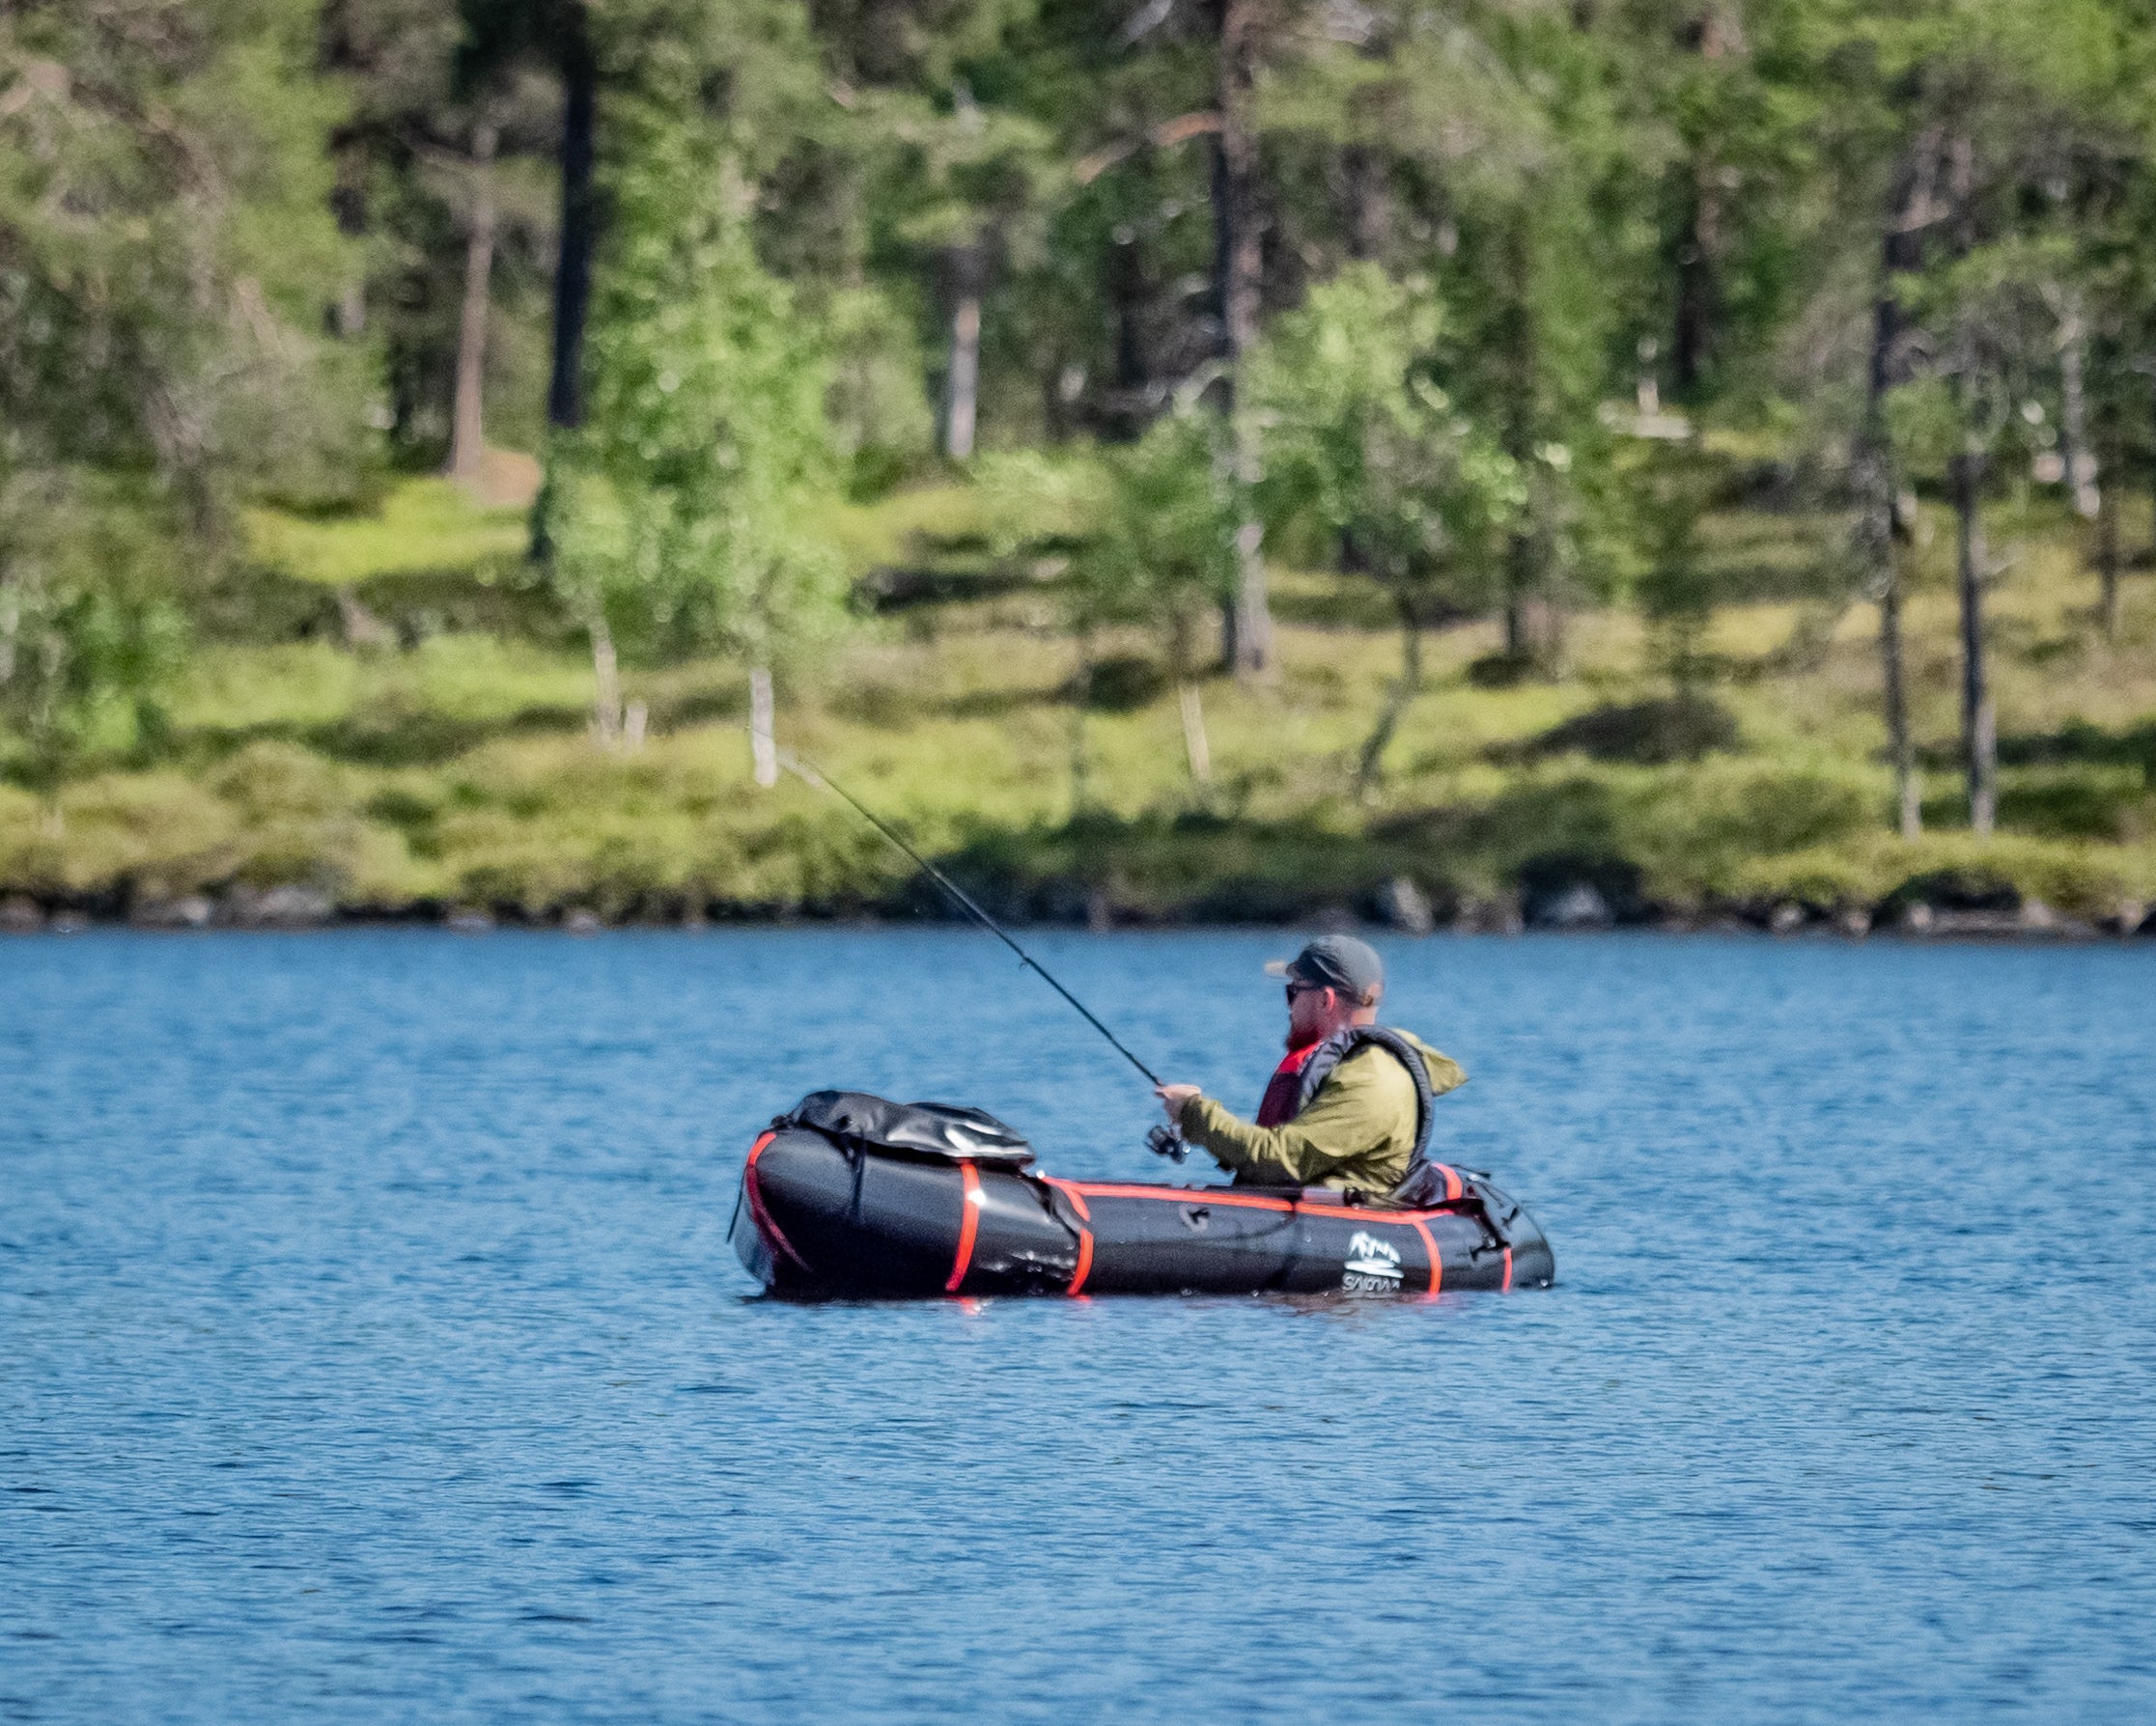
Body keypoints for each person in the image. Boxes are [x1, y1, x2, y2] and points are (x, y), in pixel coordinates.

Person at [1154, 934, 1464, 1194]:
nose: (1288, 1006)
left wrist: (1194, 1112)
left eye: (1293, 992)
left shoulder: (1374, 1080)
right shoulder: (1350, 1065)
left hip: (1342, 1236)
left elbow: (1278, 1159)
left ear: (1325, 1000)